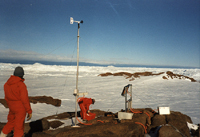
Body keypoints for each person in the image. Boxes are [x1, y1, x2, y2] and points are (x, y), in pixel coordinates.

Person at [0, 66, 32, 137]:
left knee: (10, 122)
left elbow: (7, 97)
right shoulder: (21, 85)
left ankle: (2, 135)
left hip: (11, 107)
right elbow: (25, 99)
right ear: (22, 75)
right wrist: (29, 111)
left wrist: (10, 106)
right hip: (20, 109)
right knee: (19, 127)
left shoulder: (7, 84)